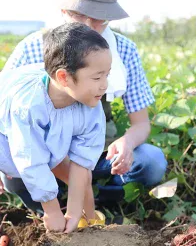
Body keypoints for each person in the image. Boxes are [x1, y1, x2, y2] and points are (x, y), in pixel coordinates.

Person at [2, 0, 167, 209]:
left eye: (99, 19)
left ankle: (105, 205)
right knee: (16, 166)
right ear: (64, 11)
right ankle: (50, 208)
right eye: (79, 16)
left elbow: (141, 123)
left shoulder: (123, 50)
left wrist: (127, 143)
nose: (89, 26)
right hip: (40, 149)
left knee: (151, 161)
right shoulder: (33, 47)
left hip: (96, 149)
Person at [0, 22, 112, 233]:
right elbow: (31, 160)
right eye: (97, 77)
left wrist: (73, 211)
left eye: (107, 75)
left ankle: (91, 223)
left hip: (46, 143)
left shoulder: (90, 105)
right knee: (36, 169)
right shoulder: (28, 106)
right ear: (64, 77)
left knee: (80, 175)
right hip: (7, 139)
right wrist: (52, 211)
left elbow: (82, 161)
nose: (104, 85)